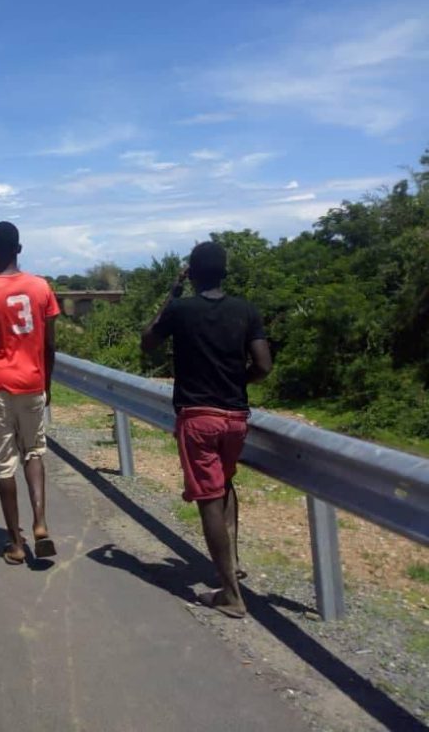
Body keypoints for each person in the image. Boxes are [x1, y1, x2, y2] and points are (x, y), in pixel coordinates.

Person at [141, 241, 272, 619]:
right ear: (224, 273)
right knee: (224, 484)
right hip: (236, 418)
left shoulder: (181, 309)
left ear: (193, 274)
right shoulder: (246, 310)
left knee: (209, 499)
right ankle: (233, 563)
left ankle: (231, 595)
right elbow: (263, 366)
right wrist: (236, 382)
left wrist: (173, 291)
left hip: (199, 418)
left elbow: (148, 342)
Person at [0, 221, 60, 565]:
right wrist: (46, 385)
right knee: (34, 452)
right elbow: (50, 345)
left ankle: (16, 544)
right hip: (33, 383)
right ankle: (40, 522)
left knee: (4, 464)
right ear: (19, 249)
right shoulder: (41, 288)